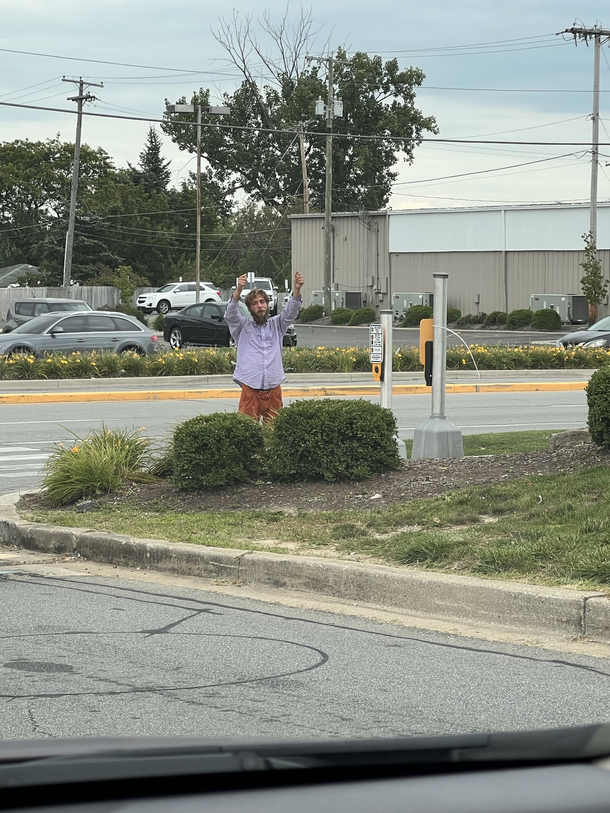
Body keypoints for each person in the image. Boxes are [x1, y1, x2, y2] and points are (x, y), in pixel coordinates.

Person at [224, 272, 304, 422]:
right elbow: (230, 315)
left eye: (262, 302)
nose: (259, 306)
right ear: (249, 308)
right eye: (254, 303)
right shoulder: (242, 327)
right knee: (248, 433)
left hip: (273, 388)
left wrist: (297, 289)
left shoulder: (277, 325)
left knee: (273, 434)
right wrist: (238, 291)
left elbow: (291, 312)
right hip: (250, 389)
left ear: (267, 304)